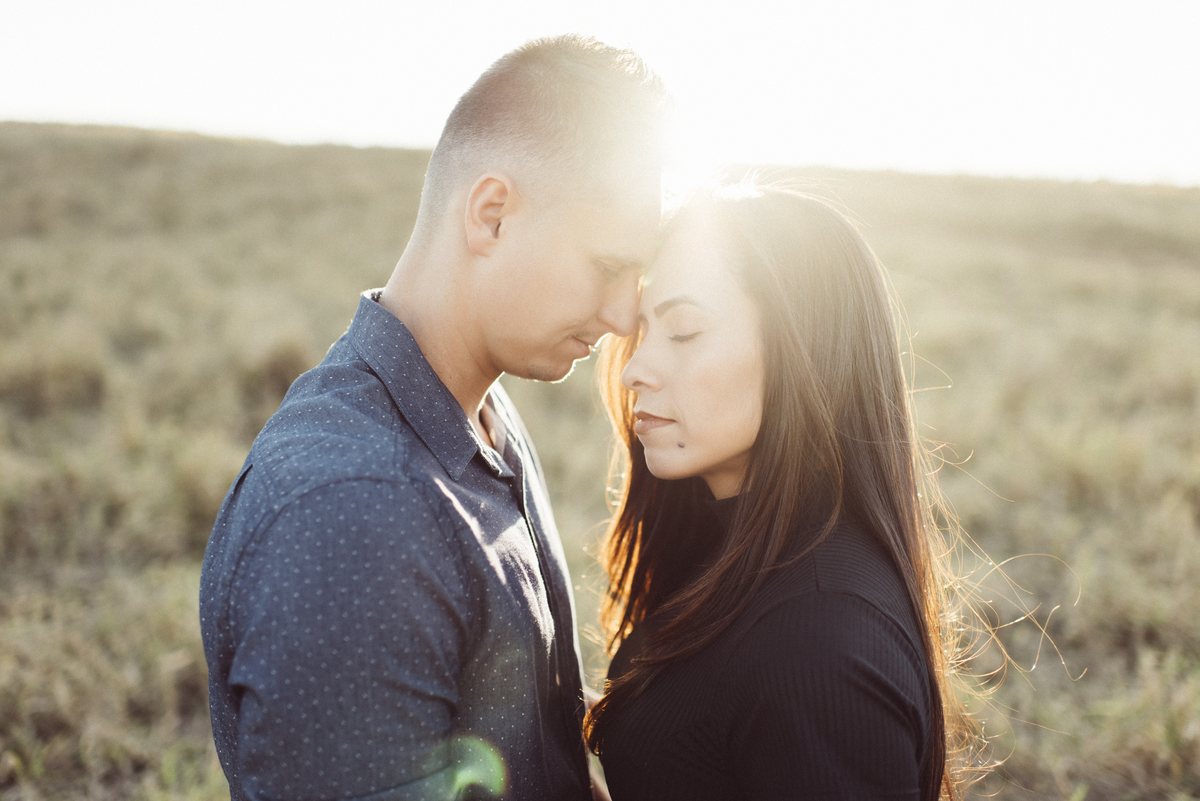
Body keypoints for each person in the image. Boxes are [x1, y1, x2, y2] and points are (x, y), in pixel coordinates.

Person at [200, 35, 668, 801]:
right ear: (491, 215)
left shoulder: (483, 413)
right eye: (608, 266)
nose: (624, 314)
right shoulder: (350, 510)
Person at [584, 183, 977, 800]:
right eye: (642, 332)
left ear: (804, 350)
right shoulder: (732, 546)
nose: (635, 370)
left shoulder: (823, 644)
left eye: (683, 331)